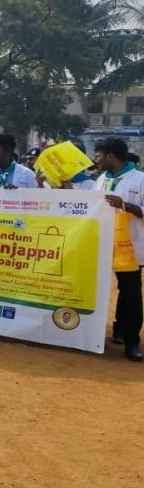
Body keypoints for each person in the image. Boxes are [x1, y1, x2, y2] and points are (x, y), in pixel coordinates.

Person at [91, 138, 144, 361]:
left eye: (99, 155)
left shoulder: (140, 179)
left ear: (111, 156)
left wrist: (125, 205)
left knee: (130, 293)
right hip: (101, 244)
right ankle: (96, 334)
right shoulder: (101, 179)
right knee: (95, 289)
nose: (96, 159)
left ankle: (132, 342)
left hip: (129, 247)